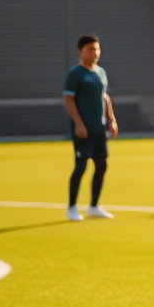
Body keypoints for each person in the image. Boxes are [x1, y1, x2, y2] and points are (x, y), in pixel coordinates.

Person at [63, 34, 118, 221]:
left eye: (97, 49)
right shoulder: (75, 74)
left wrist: (111, 119)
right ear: (81, 52)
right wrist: (78, 123)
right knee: (80, 167)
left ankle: (94, 206)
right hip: (83, 129)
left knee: (101, 164)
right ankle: (71, 207)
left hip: (99, 128)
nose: (95, 53)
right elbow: (69, 99)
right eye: (90, 49)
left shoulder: (101, 72)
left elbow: (105, 97)